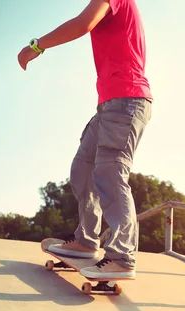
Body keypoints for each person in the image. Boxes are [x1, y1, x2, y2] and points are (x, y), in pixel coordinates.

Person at [17, 0, 152, 280]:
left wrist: (36, 45)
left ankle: (122, 257)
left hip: (127, 101)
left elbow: (83, 23)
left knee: (110, 172)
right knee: (83, 168)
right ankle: (86, 242)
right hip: (110, 105)